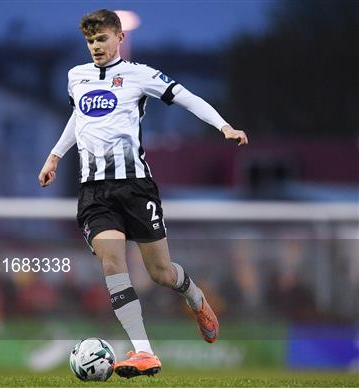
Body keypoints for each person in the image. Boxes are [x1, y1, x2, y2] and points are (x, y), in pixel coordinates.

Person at [38, 9, 248, 378]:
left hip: (135, 187)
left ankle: (195, 297)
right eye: (90, 42)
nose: (96, 47)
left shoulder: (140, 75)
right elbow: (80, 119)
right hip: (94, 191)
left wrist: (224, 126)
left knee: (161, 273)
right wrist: (55, 156)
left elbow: (186, 97)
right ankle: (144, 352)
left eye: (102, 39)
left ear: (119, 37)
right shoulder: (77, 77)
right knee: (113, 262)